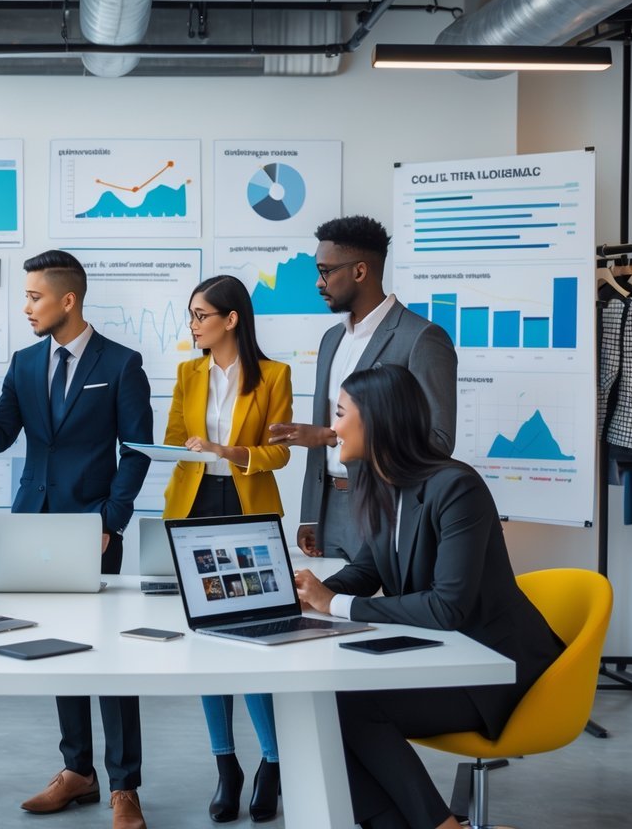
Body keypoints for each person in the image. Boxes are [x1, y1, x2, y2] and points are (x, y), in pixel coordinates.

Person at [293, 365, 563, 829]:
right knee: (319, 708)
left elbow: (447, 606)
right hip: (443, 655)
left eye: (340, 413)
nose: (332, 427)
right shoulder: (379, 482)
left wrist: (333, 604)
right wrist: (306, 593)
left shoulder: (456, 487)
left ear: (375, 420)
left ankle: (440, 826)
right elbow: (370, 566)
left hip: (491, 667)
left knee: (346, 705)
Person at [0, 249, 153, 829]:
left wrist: (111, 519)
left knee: (111, 658)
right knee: (61, 649)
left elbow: (137, 451)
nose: (27, 306)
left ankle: (125, 786)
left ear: (68, 300)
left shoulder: (122, 363)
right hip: (34, 524)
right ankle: (78, 771)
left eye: (34, 296)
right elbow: (1, 436)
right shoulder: (25, 362)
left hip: (94, 527)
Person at [160, 275, 292, 824]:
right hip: (193, 508)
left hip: (248, 510)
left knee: (255, 640)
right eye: (190, 315)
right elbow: (171, 438)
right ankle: (225, 765)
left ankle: (273, 761)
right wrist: (182, 448)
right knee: (208, 642)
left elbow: (279, 455)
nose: (193, 325)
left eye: (200, 315)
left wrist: (226, 450)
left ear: (231, 318)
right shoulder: (188, 372)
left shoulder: (274, 375)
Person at [268, 216, 457, 561]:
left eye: (326, 271)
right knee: (324, 612)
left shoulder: (421, 338)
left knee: (372, 612)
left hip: (387, 509)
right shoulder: (331, 340)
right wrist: (311, 514)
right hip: (326, 512)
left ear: (359, 271)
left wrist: (329, 436)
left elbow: (439, 441)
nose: (318, 282)